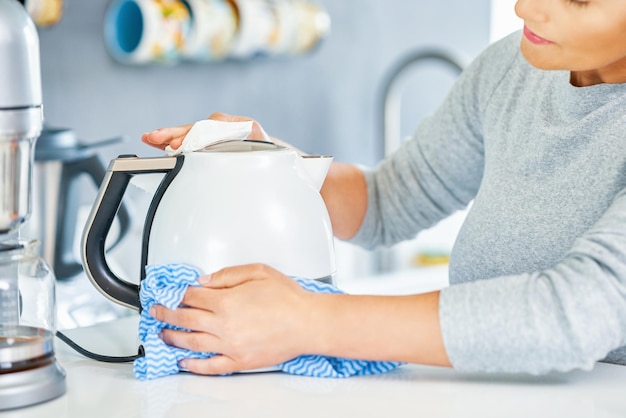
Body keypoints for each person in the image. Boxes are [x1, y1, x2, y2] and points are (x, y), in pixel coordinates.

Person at [141, 0, 626, 376]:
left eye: (580, 0)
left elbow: (574, 314)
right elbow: (390, 201)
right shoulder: (512, 68)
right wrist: (274, 163)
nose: (525, 7)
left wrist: (307, 320)